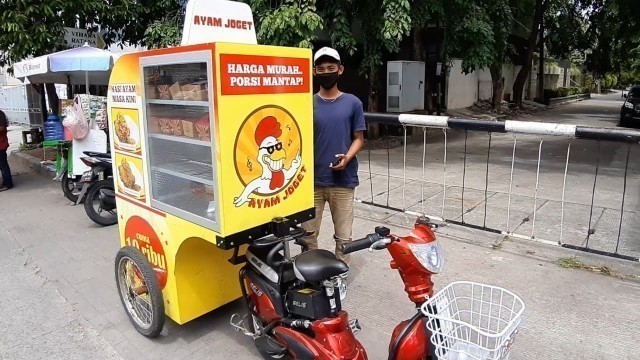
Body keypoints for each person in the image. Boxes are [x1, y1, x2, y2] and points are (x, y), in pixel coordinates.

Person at [302, 47, 366, 264]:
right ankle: (310, 273)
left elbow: (359, 138)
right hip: (311, 182)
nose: (326, 72)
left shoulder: (353, 103)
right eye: (321, 69)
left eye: (331, 67)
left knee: (344, 237)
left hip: (343, 181)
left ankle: (339, 275)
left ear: (340, 70)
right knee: (307, 235)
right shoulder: (306, 103)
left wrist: (347, 157)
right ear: (313, 72)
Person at [0, 109, 13, 191]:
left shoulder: (0, 114)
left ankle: (8, 184)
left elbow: (2, 128)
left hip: (1, 144)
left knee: (3, 165)